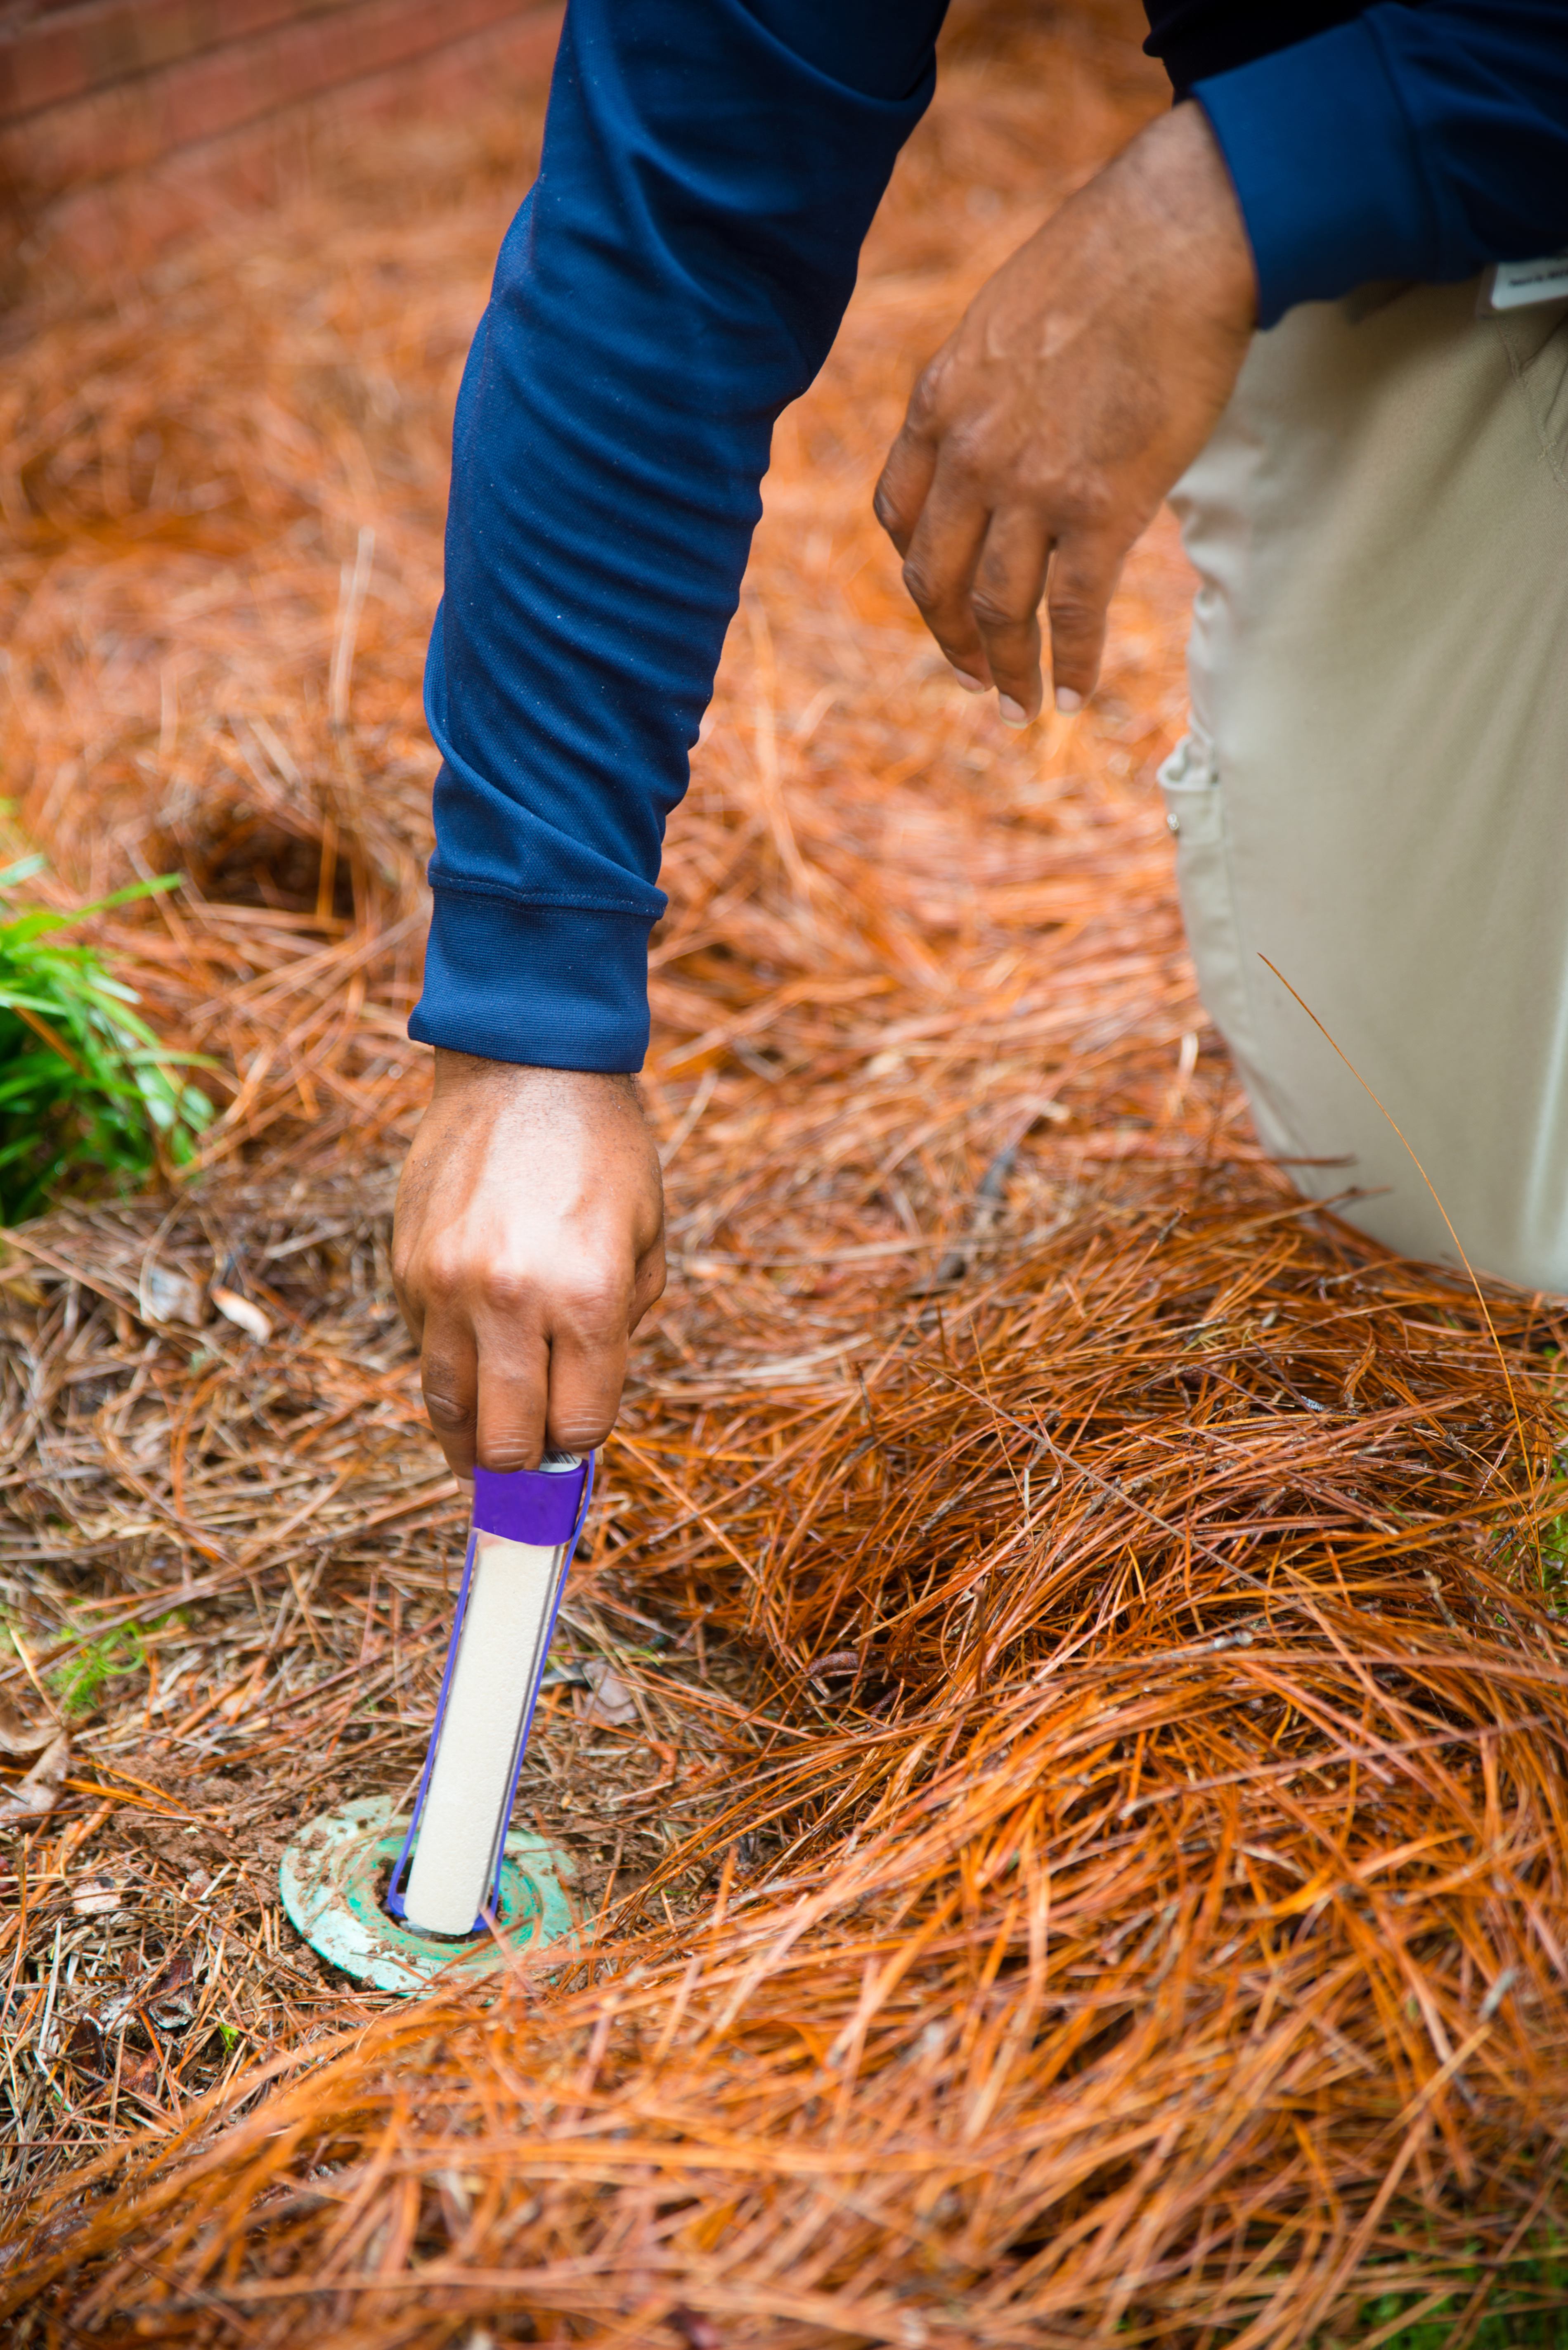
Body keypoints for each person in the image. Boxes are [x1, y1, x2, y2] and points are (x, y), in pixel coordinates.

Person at [390, 0, 1568, 1478]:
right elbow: (670, 242)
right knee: (1455, 1181)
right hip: (1442, 208)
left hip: (1421, 109)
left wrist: (1229, 189)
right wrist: (526, 1029)